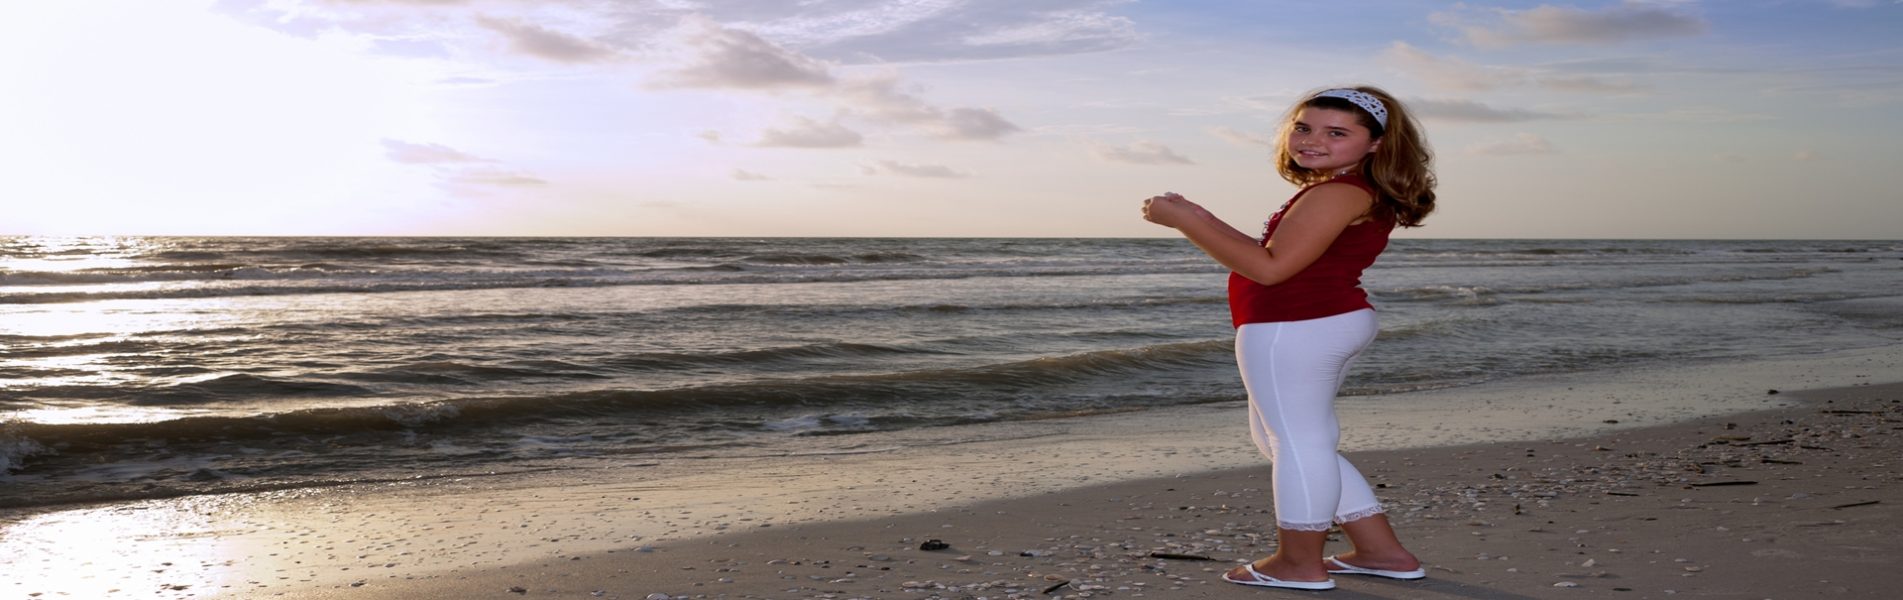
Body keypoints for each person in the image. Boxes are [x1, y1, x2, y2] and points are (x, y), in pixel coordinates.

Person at [1139, 85, 1436, 591]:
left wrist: (1186, 222)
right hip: (1315, 321)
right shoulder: (1346, 189)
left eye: (1336, 132)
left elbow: (1270, 269)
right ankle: (1380, 550)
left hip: (1296, 326)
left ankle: (1299, 561)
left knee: (1299, 441)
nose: (1312, 140)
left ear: (1376, 145)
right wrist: (1202, 215)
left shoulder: (1338, 192)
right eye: (1303, 127)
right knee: (1291, 440)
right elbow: (1280, 253)